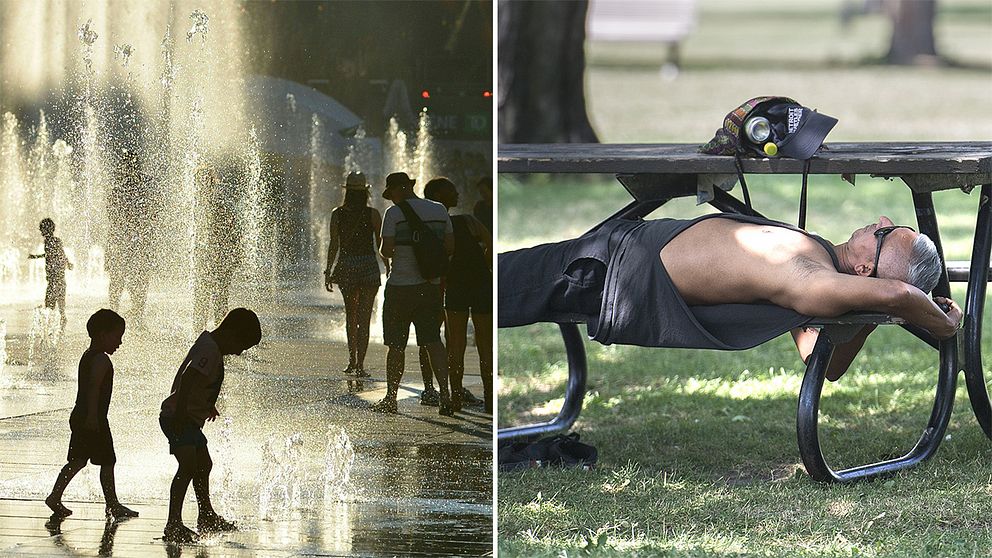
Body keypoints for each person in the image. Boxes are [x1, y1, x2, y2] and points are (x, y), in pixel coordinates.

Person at [499, 214, 962, 382]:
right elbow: (824, 360)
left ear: (865, 270)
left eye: (884, 233)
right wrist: (868, 305)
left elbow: (898, 293)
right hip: (611, 258)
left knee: (484, 290)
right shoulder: (819, 278)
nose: (878, 218)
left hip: (602, 272)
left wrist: (942, 324)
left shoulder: (810, 279)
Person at [159, 307, 262, 543]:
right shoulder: (210, 349)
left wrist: (207, 404)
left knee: (203, 464)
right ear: (231, 334)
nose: (238, 353)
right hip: (179, 418)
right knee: (188, 467)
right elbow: (189, 377)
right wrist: (183, 412)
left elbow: (200, 381)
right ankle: (173, 523)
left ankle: (206, 515)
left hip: (187, 419)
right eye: (241, 347)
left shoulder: (211, 345)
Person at [45, 309, 138, 520]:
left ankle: (56, 496)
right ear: (103, 335)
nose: (120, 342)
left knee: (80, 460)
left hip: (84, 414)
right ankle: (112, 505)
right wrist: (93, 418)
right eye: (118, 336)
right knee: (105, 460)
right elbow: (94, 388)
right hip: (92, 417)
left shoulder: (88, 356)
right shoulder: (101, 360)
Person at [375, 172, 455, 415]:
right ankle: (445, 395)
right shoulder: (439, 210)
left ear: (399, 189)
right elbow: (450, 247)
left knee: (396, 345)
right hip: (430, 287)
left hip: (400, 287)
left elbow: (386, 250)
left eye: (391, 194)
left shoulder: (394, 213)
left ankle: (391, 398)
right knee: (433, 341)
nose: (390, 200)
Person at [425, 177, 493, 413]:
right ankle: (490, 399)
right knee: (485, 343)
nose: (457, 194)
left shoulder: (432, 226)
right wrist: (485, 269)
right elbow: (489, 244)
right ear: (439, 196)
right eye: (451, 191)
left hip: (455, 286)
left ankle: (454, 398)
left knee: (456, 343)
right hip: (481, 284)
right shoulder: (467, 222)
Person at [324, 172, 388, 377]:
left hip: (346, 266)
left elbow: (334, 244)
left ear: (347, 191)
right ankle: (360, 364)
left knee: (351, 316)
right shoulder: (373, 214)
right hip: (369, 267)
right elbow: (381, 245)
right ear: (365, 192)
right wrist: (388, 266)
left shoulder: (337, 213)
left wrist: (328, 270)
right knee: (364, 317)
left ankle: (352, 360)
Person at [106, 150, 157, 326]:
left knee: (123, 280)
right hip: (132, 242)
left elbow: (112, 216)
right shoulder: (139, 190)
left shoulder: (118, 190)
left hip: (125, 241)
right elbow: (153, 214)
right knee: (131, 280)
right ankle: (131, 315)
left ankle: (119, 315)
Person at [193, 164, 243, 330]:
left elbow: (233, 231)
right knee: (206, 298)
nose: (201, 186)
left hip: (218, 258)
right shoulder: (198, 206)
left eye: (205, 182)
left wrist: (234, 255)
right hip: (209, 258)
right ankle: (202, 333)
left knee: (216, 298)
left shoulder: (217, 205)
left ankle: (217, 335)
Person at [28, 218, 72, 327]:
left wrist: (66, 263)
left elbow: (57, 254)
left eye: (41, 228)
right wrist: (36, 256)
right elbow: (55, 254)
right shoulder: (54, 240)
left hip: (55, 277)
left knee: (50, 303)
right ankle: (60, 323)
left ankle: (53, 327)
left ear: (45, 229)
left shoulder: (50, 241)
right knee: (59, 301)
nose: (40, 231)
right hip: (58, 276)